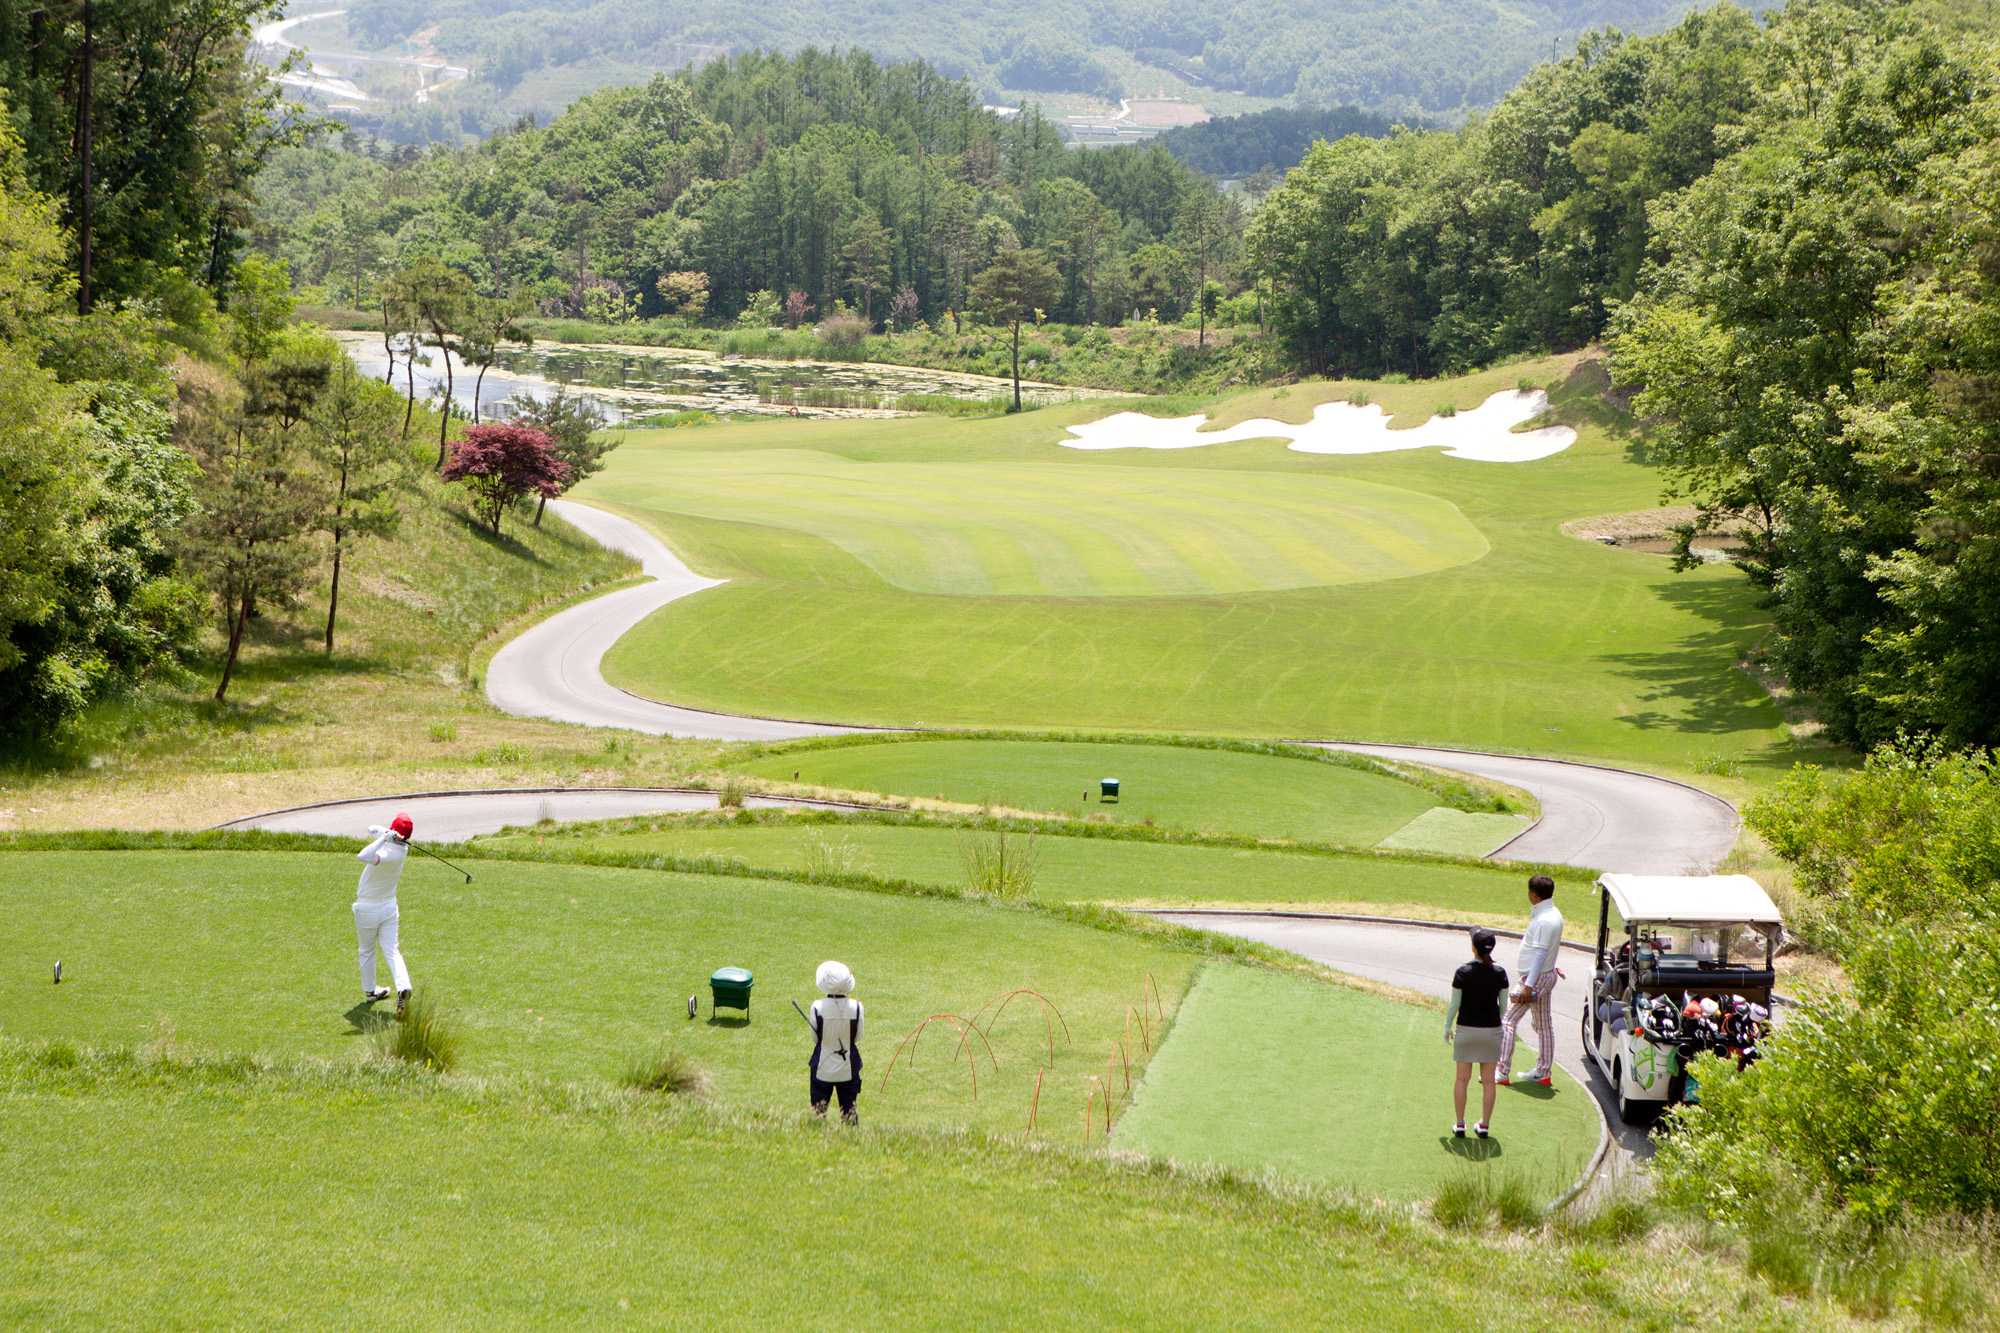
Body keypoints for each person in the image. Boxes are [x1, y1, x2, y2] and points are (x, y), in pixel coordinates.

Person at [1498, 873, 1564, 1086]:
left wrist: (1527, 985)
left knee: (1507, 1020)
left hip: (1534, 980)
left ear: (1534, 895)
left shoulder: (1544, 920)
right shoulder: (1554, 913)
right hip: (1545, 976)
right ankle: (1543, 1072)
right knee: (1544, 1025)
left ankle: (1502, 1071)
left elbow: (1540, 954)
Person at [1443, 926, 1508, 1138]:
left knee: (1462, 1079)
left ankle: (1460, 1124)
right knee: (1488, 1081)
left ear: (1474, 948)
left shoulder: (1463, 972)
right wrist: (1495, 1022)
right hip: (1491, 1031)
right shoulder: (1500, 974)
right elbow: (1503, 1005)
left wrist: (1447, 1026)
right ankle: (1484, 1126)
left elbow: (1454, 1004)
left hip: (1466, 1030)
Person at [354, 815, 414, 1016]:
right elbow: (370, 827)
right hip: (389, 907)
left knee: (367, 950)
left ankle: (371, 991)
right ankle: (402, 987)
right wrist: (388, 835)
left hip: (368, 909)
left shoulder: (391, 855)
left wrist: (383, 838)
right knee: (392, 951)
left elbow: (362, 856)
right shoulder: (401, 847)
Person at [807, 960, 864, 1124]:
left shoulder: (817, 1006)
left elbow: (815, 1038)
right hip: (848, 1068)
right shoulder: (857, 1007)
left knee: (818, 1116)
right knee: (849, 1116)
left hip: (822, 1068)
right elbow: (858, 1037)